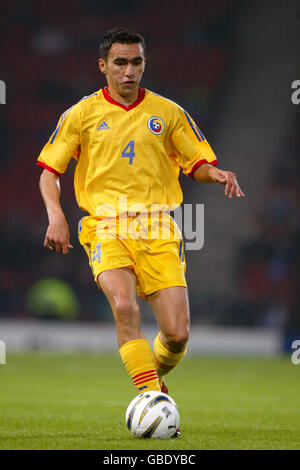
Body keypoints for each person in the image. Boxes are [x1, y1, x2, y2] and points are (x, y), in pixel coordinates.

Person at [37, 27, 244, 430]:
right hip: (105, 226)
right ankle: (152, 397)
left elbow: (195, 163)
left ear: (144, 64)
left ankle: (154, 378)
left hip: (158, 229)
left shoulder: (168, 112)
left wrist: (214, 173)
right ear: (103, 66)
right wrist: (57, 216)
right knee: (123, 305)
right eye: (120, 63)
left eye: (136, 62)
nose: (129, 71)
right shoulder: (80, 115)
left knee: (178, 334)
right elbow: (49, 172)